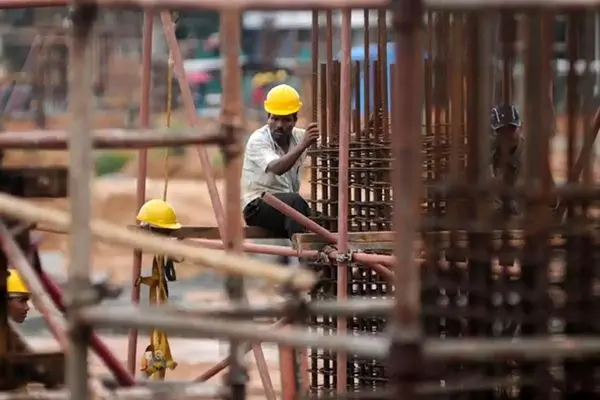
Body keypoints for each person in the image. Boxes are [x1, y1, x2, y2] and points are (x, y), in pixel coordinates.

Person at [241, 84, 320, 240]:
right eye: (274, 118)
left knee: (322, 220)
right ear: (268, 117)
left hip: (287, 208)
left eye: (285, 120)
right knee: (296, 202)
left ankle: (318, 260)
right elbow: (277, 167)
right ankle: (303, 257)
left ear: (295, 120)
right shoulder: (258, 139)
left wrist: (360, 134)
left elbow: (332, 146)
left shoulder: (299, 136)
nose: (279, 125)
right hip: (257, 207)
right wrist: (304, 145)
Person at [490, 103, 524, 216]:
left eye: (511, 129)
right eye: (502, 131)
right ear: (494, 134)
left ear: (520, 128)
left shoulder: (531, 153)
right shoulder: (489, 150)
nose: (507, 135)